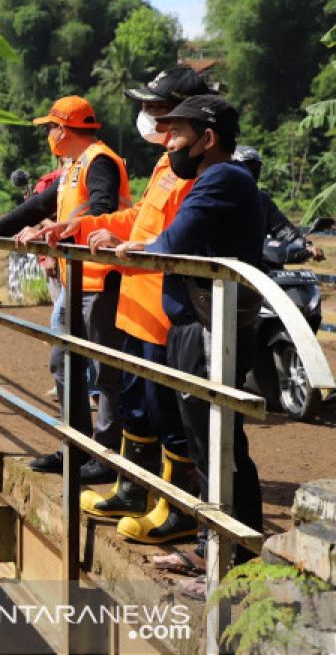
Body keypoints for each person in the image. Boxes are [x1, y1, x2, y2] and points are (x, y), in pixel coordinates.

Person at [39, 65, 215, 546]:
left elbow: (175, 234)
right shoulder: (164, 162)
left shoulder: (195, 169)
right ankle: (132, 489)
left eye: (159, 110)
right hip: (134, 304)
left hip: (162, 309)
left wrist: (123, 237)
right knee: (137, 405)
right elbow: (140, 217)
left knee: (167, 411)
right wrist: (85, 226)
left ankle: (175, 504)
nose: (150, 118)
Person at [114, 94, 265, 595]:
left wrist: (145, 248)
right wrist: (146, 245)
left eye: (177, 132)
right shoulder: (216, 178)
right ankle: (212, 545)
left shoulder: (223, 177)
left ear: (208, 138)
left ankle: (233, 562)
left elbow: (172, 243)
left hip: (209, 326)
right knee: (206, 439)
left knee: (218, 442)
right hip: (197, 321)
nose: (169, 140)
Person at [0, 96, 131, 481]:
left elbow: (103, 204)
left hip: (101, 278)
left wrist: (63, 226)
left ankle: (104, 456)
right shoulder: (73, 166)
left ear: (65, 128)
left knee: (104, 370)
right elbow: (39, 205)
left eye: (51, 128)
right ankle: (73, 445)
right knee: (64, 361)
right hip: (76, 280)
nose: (49, 136)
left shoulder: (100, 160)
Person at [231, 145, 326, 262]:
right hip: (227, 264)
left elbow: (282, 228)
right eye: (246, 168)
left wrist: (307, 246)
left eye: (255, 169)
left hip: (261, 261)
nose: (251, 173)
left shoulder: (262, 200)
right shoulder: (218, 197)